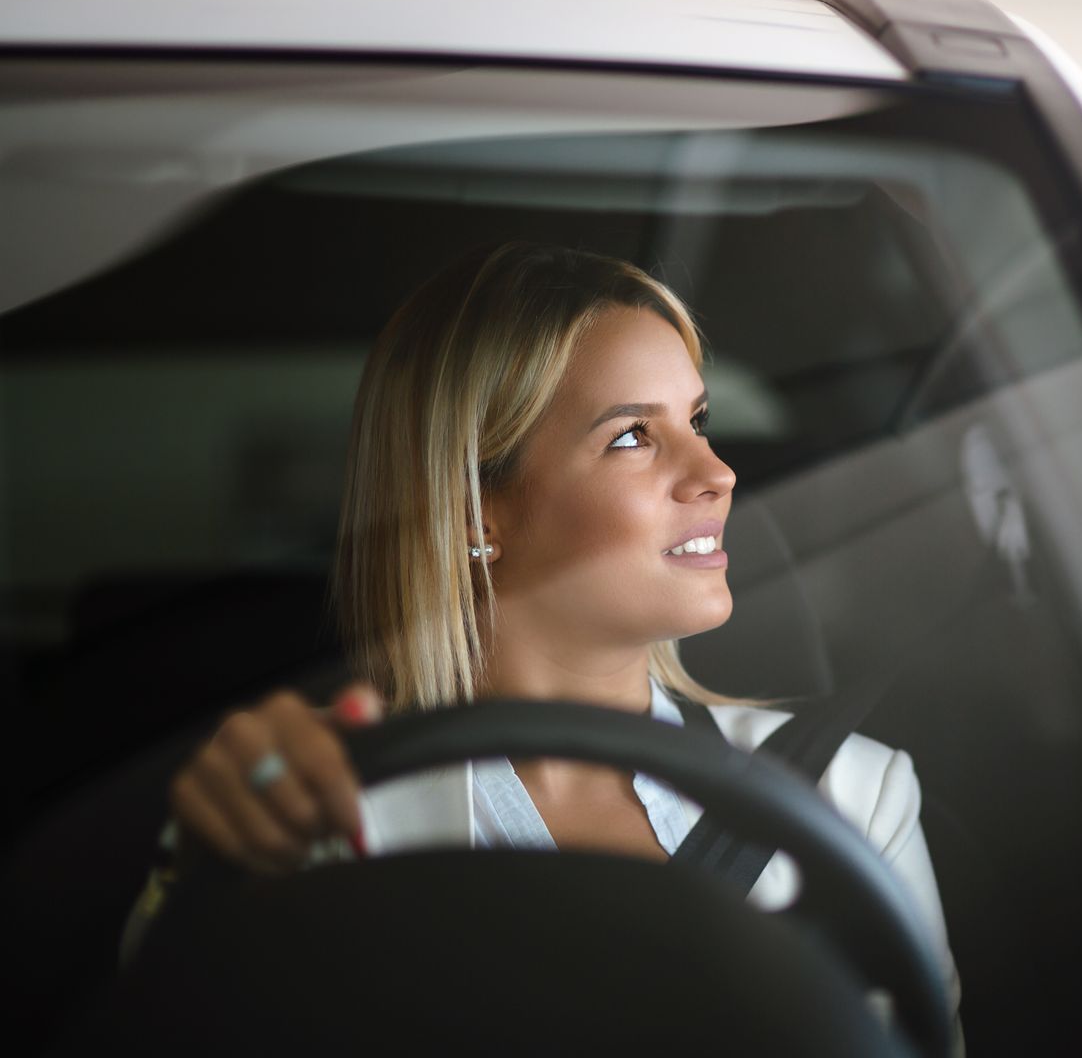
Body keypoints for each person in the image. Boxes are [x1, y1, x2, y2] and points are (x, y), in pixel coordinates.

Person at [137, 241, 960, 1019]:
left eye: (699, 423)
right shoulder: (310, 812)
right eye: (633, 436)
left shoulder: (853, 798)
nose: (718, 474)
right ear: (475, 510)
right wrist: (216, 862)